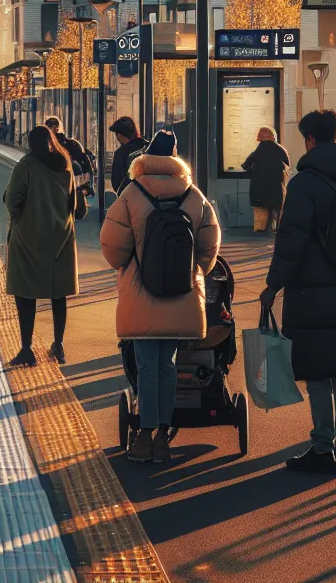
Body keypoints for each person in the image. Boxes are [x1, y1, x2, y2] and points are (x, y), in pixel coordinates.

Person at [259, 109, 336, 476]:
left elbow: (291, 243)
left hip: (310, 291)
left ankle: (323, 449)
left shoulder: (305, 184)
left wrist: (272, 286)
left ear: (309, 140)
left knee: (320, 374)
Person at [100, 130, 221, 463]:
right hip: (181, 297)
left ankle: (143, 436)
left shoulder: (131, 194)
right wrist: (195, 271)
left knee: (146, 368)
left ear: (145, 160)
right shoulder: (193, 195)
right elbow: (210, 246)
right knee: (167, 367)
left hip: (140, 297)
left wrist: (128, 266)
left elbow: (112, 247)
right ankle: (164, 439)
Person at [4, 124, 80, 366]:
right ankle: (59, 346)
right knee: (58, 295)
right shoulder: (64, 166)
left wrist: (20, 217)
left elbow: (12, 200)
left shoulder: (25, 166)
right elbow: (75, 205)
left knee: (26, 295)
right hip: (61, 238)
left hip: (27, 239)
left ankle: (26, 349)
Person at [242, 126, 292, 233]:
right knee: (276, 211)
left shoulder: (257, 152)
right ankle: (275, 228)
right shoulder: (281, 150)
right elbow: (288, 166)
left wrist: (253, 172)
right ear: (273, 137)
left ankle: (261, 230)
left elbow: (245, 165)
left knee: (261, 217)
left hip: (259, 190)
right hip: (276, 189)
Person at [44, 116, 94, 212]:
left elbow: (84, 164)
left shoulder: (63, 145)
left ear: (56, 127)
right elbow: (85, 164)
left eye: (50, 127)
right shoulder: (70, 144)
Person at [108, 116, 149, 197]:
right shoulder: (148, 146)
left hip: (131, 198)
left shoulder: (120, 153)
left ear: (119, 135)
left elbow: (116, 183)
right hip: (151, 198)